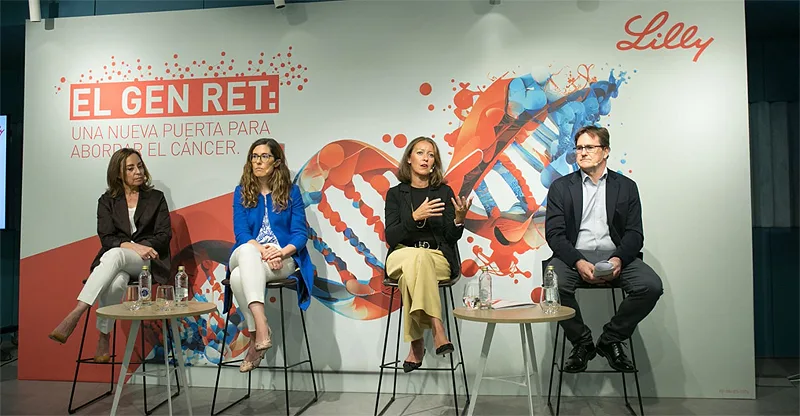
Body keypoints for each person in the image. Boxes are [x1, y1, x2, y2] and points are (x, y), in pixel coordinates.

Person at [544, 126, 663, 373]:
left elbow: (634, 234)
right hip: (573, 257)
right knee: (552, 285)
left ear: (605, 151)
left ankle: (611, 339)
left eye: (590, 147)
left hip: (616, 256)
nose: (582, 153)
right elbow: (554, 235)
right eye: (579, 148)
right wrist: (578, 261)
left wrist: (618, 259)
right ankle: (582, 343)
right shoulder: (561, 187)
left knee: (650, 286)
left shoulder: (626, 186)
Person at [48, 148, 172, 362]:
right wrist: (133, 247)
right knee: (116, 283)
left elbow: (163, 236)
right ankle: (104, 337)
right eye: (130, 168)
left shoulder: (156, 198)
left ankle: (77, 311)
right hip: (121, 262)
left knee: (115, 255)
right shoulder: (107, 201)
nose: (138, 171)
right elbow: (106, 237)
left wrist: (140, 248)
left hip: (147, 263)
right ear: (118, 174)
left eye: (139, 166)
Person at [384, 136, 472, 373]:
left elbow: (450, 237)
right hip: (400, 256)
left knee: (415, 265)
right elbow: (391, 237)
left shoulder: (443, 192)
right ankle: (437, 327)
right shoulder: (395, 194)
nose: (425, 158)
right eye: (420, 152)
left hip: (436, 258)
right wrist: (414, 217)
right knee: (415, 257)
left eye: (430, 154)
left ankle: (416, 342)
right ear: (409, 159)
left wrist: (458, 220)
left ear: (434, 163)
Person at [229, 138, 315, 373]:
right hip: (250, 251)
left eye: (264, 156)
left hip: (284, 257)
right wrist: (262, 251)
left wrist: (279, 251)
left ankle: (255, 338)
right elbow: (242, 233)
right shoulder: (241, 192)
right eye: (254, 156)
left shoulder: (292, 193)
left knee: (237, 278)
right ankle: (262, 324)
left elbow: (299, 234)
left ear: (276, 162)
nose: (257, 161)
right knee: (246, 250)